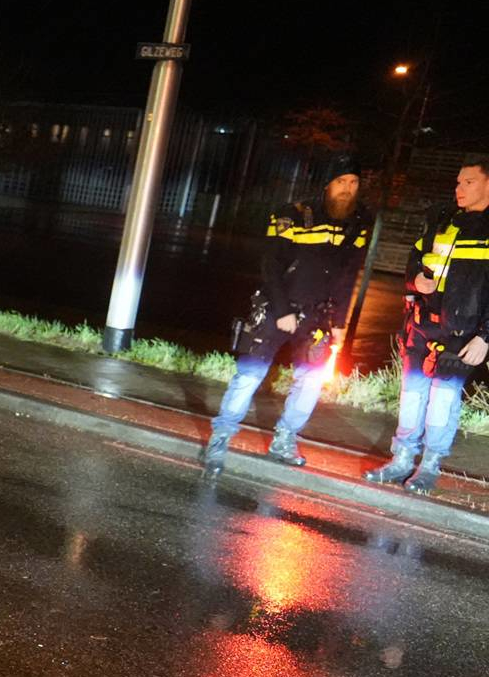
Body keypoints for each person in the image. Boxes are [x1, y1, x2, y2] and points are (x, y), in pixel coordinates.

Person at [202, 157, 370, 475]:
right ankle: (220, 439)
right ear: (326, 184)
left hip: (319, 316)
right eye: (341, 181)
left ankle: (284, 440)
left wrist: (338, 324)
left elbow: (349, 276)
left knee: (310, 381)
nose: (348, 189)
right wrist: (282, 310)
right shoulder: (291, 214)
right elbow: (271, 265)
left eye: (354, 182)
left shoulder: (359, 222)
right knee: (250, 374)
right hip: (277, 308)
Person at [364, 158, 489, 494]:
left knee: (443, 401)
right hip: (421, 325)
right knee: (412, 395)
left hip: (462, 334)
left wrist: (486, 337)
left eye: (468, 182)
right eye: (458, 182)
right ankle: (402, 460)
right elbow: (415, 258)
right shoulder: (441, 218)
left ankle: (429, 466)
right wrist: (414, 280)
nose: (458, 188)